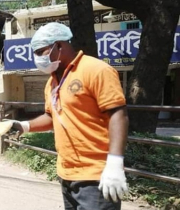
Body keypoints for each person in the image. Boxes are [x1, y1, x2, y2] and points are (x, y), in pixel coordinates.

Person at [11, 22, 129, 210]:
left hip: (95, 175)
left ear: (59, 45)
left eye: (41, 51)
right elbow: (52, 116)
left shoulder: (96, 70)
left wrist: (115, 163)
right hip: (67, 173)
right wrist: (23, 126)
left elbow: (118, 114)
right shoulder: (52, 82)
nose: (38, 58)